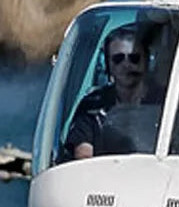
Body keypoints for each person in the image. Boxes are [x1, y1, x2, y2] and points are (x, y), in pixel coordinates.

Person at [63, 28, 151, 161]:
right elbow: (83, 155)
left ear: (146, 61)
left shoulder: (165, 101)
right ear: (108, 65)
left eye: (134, 58)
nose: (126, 65)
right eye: (118, 59)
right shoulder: (93, 105)